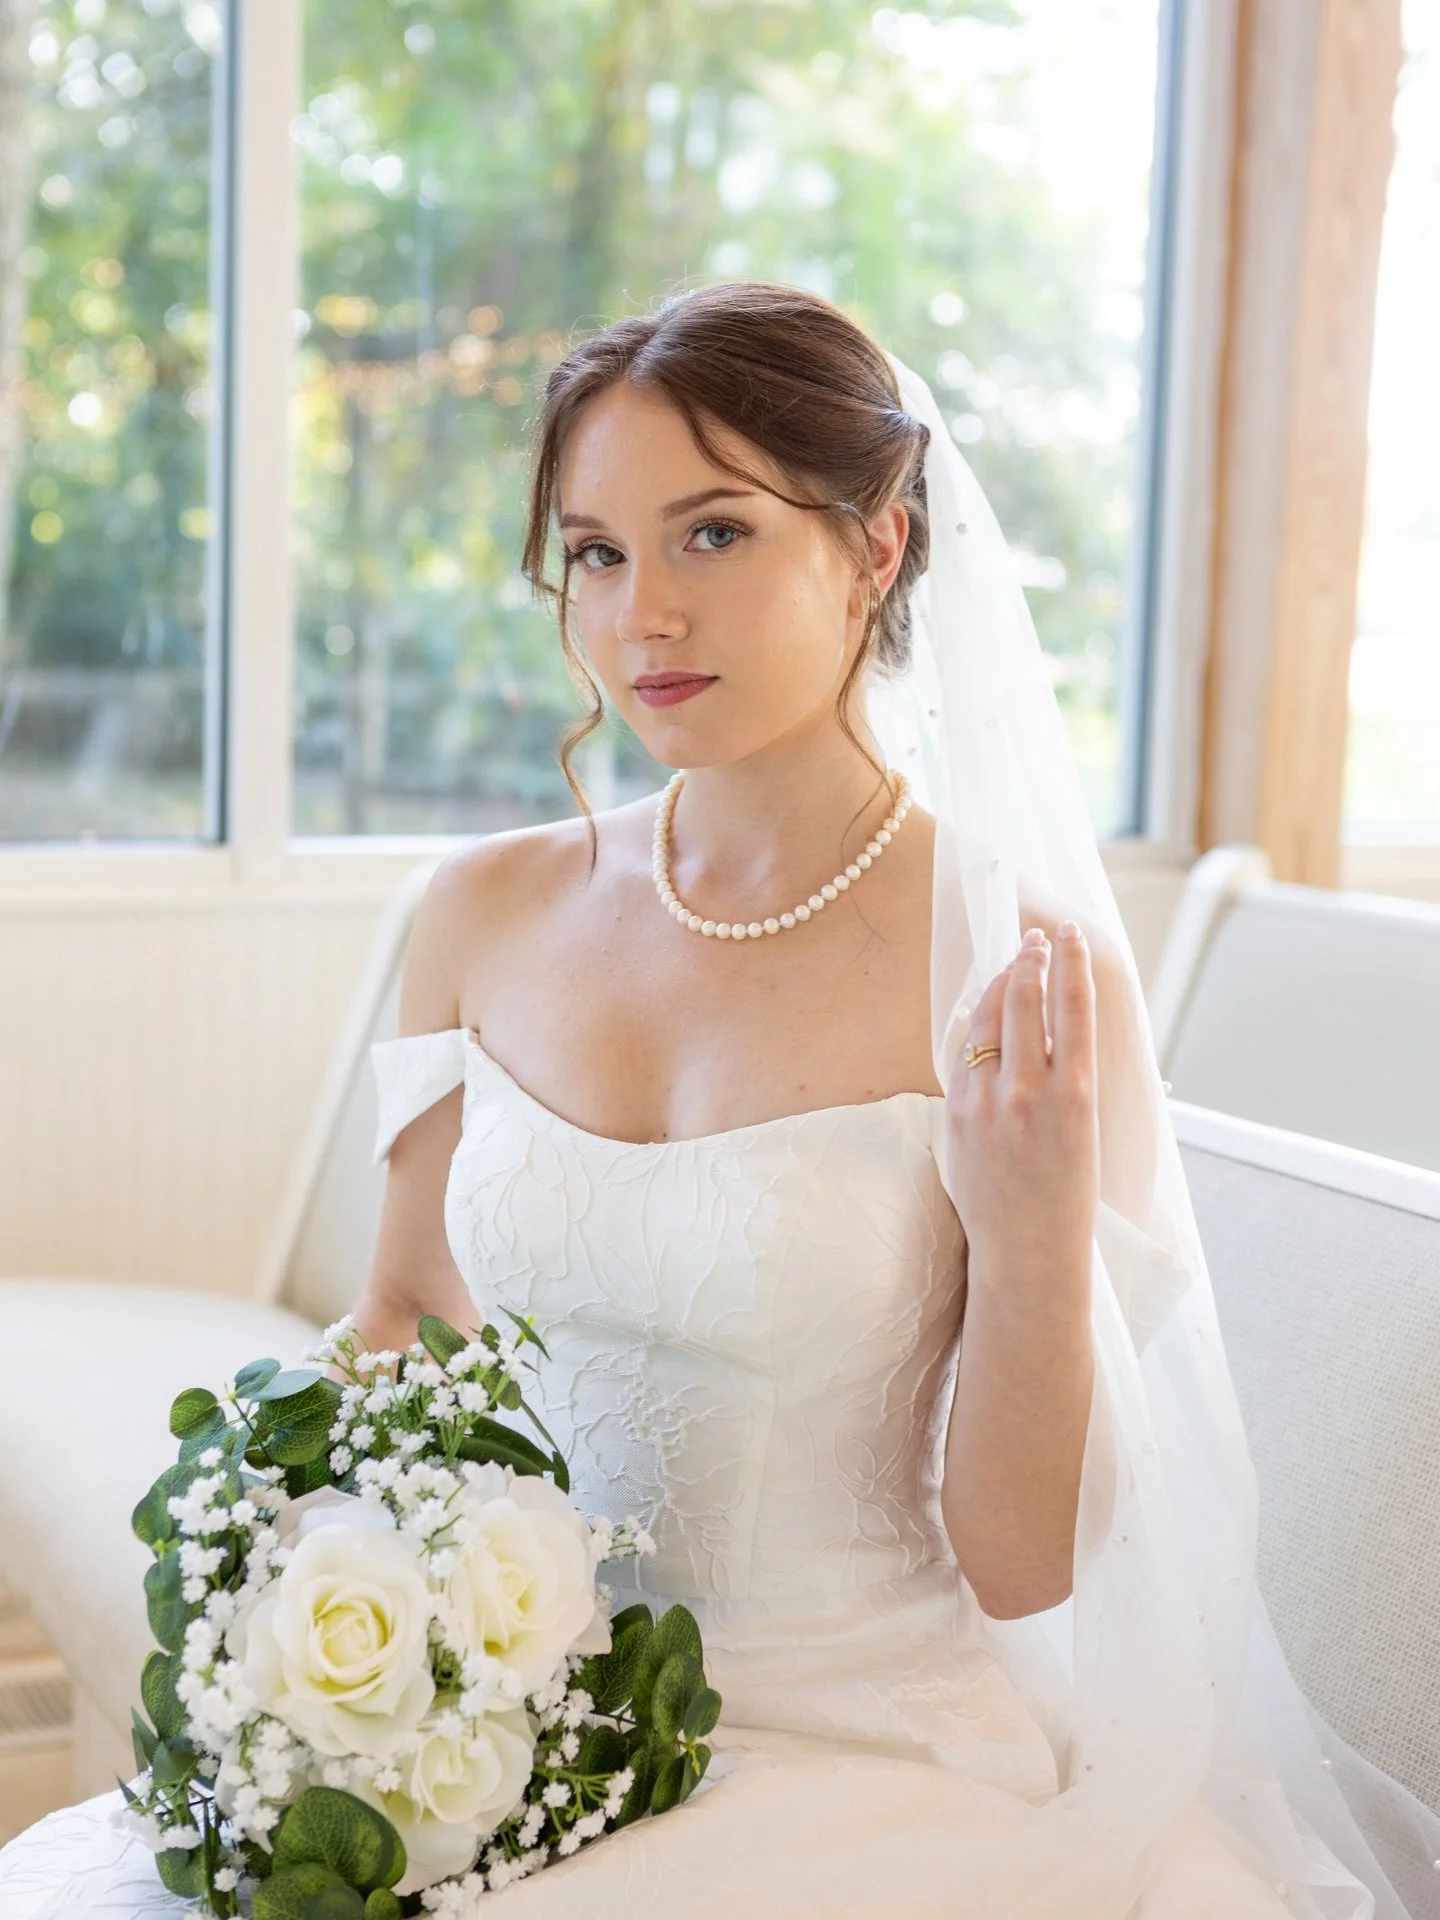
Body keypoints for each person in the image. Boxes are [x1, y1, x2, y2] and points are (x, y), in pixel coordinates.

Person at [2, 281, 1436, 1917]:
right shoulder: (480, 911)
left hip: (858, 1761)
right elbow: (405, 1305)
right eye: (599, 554)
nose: (641, 619)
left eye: (715, 537)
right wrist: (313, 1606)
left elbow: (1028, 1567)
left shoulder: (1017, 970)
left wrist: (1033, 1238)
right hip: (524, 1729)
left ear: (878, 547)